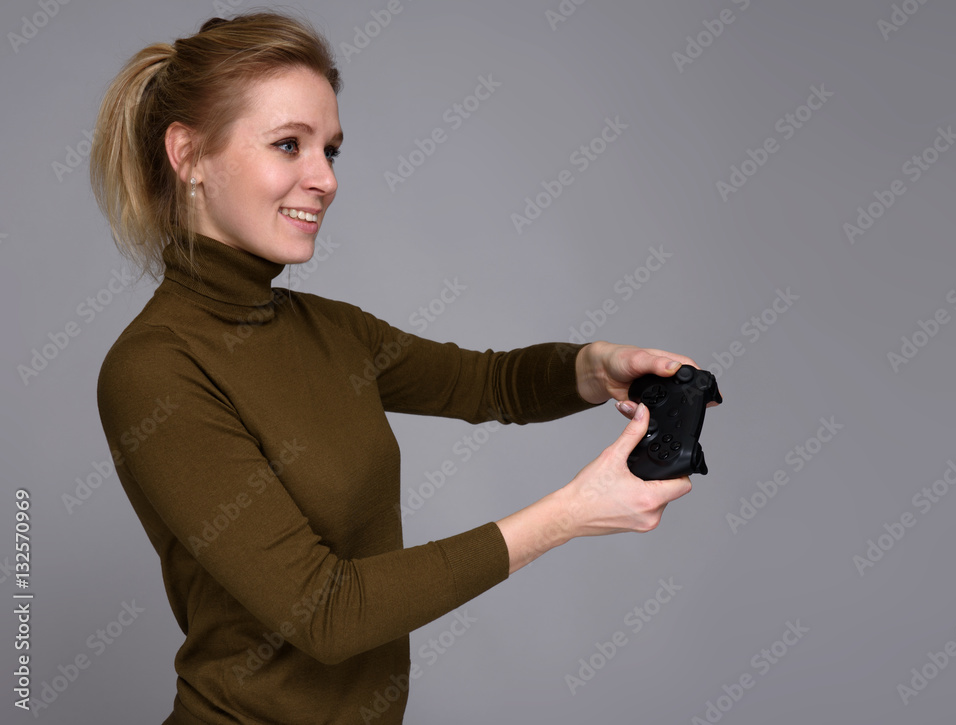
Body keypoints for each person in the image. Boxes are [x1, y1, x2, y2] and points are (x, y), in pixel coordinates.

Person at [90, 10, 709, 725]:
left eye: (331, 149)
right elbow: (327, 612)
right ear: (189, 154)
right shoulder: (154, 370)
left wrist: (598, 368)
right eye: (289, 144)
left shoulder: (329, 330)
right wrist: (569, 514)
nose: (322, 178)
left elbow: (489, 382)